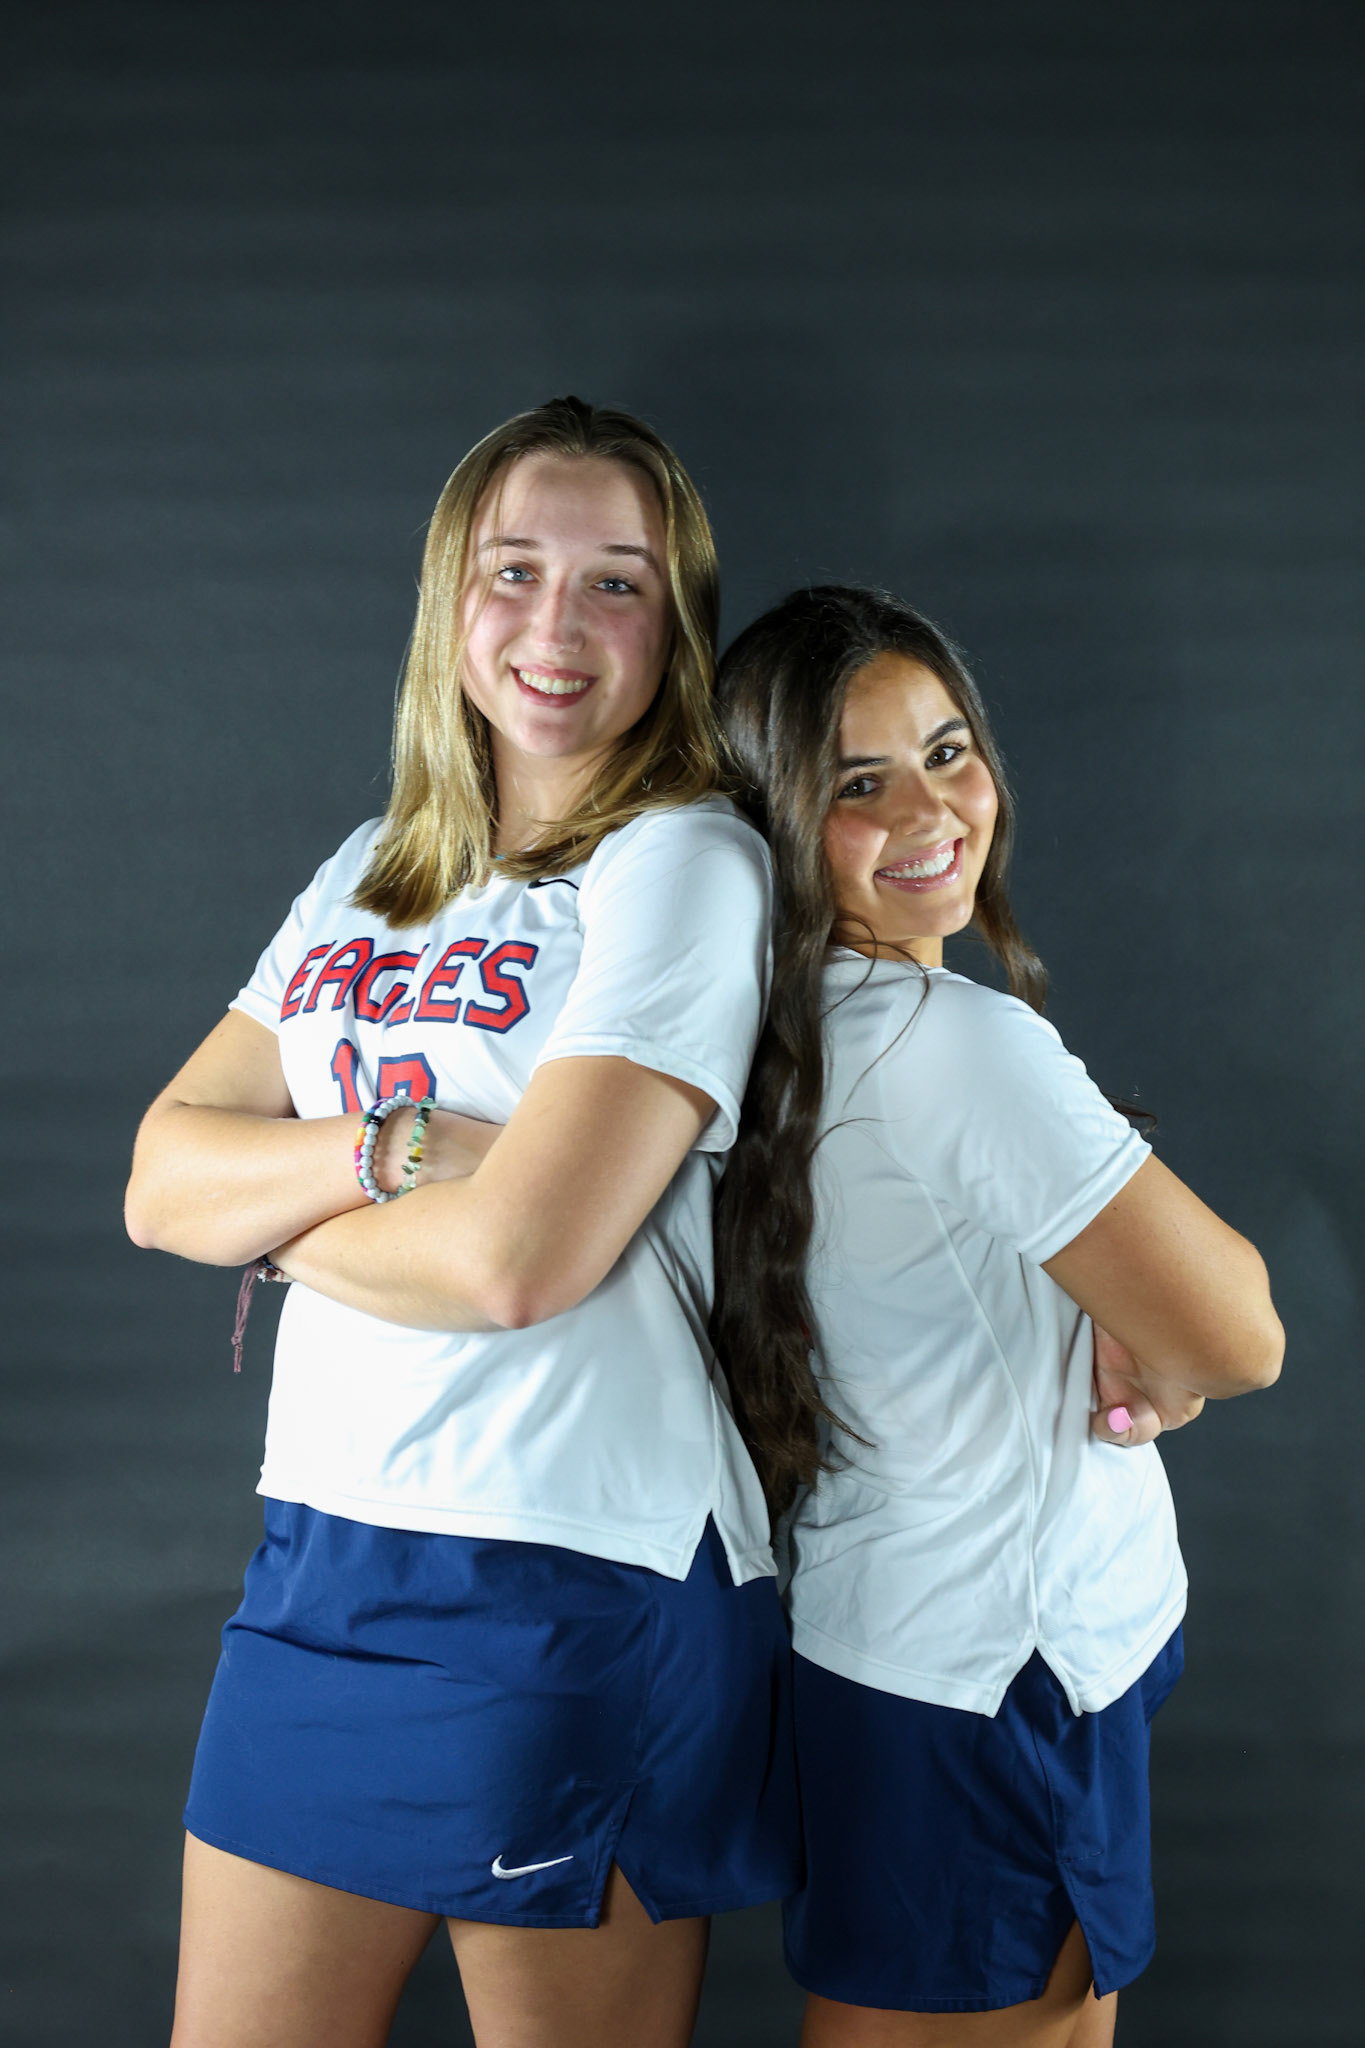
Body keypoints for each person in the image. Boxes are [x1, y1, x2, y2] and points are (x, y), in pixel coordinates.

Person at [124, 397, 799, 2048]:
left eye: (616, 583)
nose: (556, 626)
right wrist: (398, 1144)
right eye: (513, 570)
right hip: (320, 1560)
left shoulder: (682, 866)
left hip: (574, 1573)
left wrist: (273, 1223)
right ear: (450, 598)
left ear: (677, 623)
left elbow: (518, 1262)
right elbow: (156, 1181)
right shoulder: (371, 869)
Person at [712, 586, 1284, 2048]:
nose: (929, 807)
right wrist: (1174, 1361)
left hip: (887, 1654)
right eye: (856, 784)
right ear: (776, 822)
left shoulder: (775, 1036)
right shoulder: (949, 1041)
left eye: (948, 748)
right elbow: (1241, 1335)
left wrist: (1141, 1349)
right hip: (997, 1685)